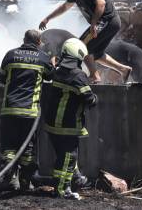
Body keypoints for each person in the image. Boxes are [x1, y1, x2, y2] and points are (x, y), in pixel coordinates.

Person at [39, 0, 132, 84]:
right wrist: (48, 18)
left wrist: (93, 24)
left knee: (82, 47)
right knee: (96, 53)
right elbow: (65, 7)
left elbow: (101, 4)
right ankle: (123, 70)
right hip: (109, 23)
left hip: (107, 20)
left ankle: (94, 76)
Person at [0, 29, 53, 191]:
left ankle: (10, 179)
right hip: (30, 112)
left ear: (23, 39)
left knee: (8, 147)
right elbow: (51, 76)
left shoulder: (10, 55)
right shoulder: (43, 57)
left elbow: (1, 77)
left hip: (9, 110)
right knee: (27, 149)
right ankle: (25, 182)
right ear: (38, 42)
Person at [42, 38, 97, 200]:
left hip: (52, 124)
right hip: (67, 125)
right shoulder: (78, 75)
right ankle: (60, 189)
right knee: (68, 156)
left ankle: (74, 180)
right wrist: (96, 97)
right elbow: (90, 100)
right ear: (79, 56)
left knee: (64, 156)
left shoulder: (57, 72)